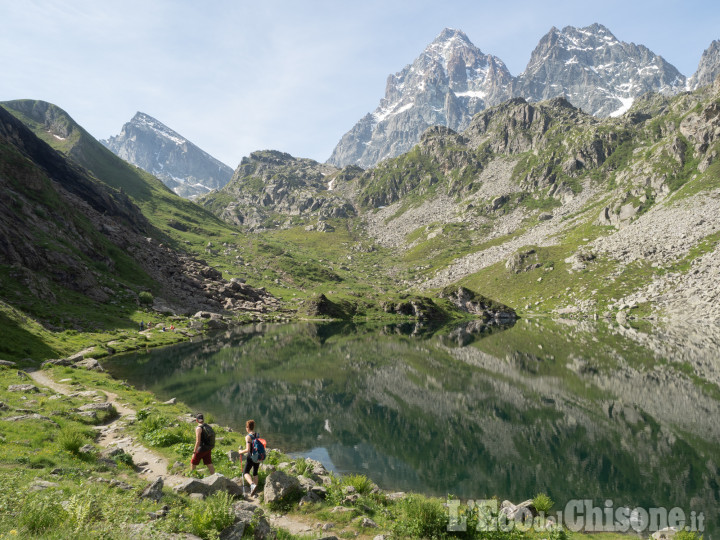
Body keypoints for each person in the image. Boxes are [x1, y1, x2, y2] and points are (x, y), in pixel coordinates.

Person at [239, 419, 260, 495]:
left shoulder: (248, 437)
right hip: (258, 456)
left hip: (251, 456)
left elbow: (248, 449)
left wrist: (241, 451)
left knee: (246, 472)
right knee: (255, 473)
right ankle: (254, 492)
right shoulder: (257, 435)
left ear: (247, 427)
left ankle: (252, 485)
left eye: (246, 427)